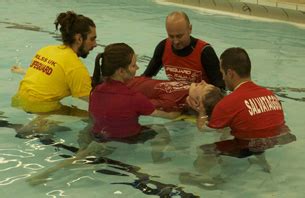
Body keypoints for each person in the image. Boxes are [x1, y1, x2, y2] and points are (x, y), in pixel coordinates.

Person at [180, 47, 296, 189]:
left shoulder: (229, 102)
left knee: (206, 149)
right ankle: (261, 162)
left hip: (247, 145)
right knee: (254, 129)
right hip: (277, 140)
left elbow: (205, 128)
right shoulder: (270, 94)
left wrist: (201, 111)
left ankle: (210, 179)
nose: (222, 78)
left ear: (230, 73)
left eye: (222, 73)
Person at [11, 11, 97, 115]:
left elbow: (48, 74)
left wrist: (23, 71)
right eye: (92, 39)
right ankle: (36, 126)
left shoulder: (46, 50)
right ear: (79, 38)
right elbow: (94, 102)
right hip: (41, 107)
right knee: (88, 115)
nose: (95, 44)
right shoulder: (76, 67)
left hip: (19, 99)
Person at [142, 11, 225, 90]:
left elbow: (220, 88)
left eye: (179, 36)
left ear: (190, 29)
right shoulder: (163, 47)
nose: (176, 41)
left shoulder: (205, 51)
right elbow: (145, 77)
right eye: (171, 36)